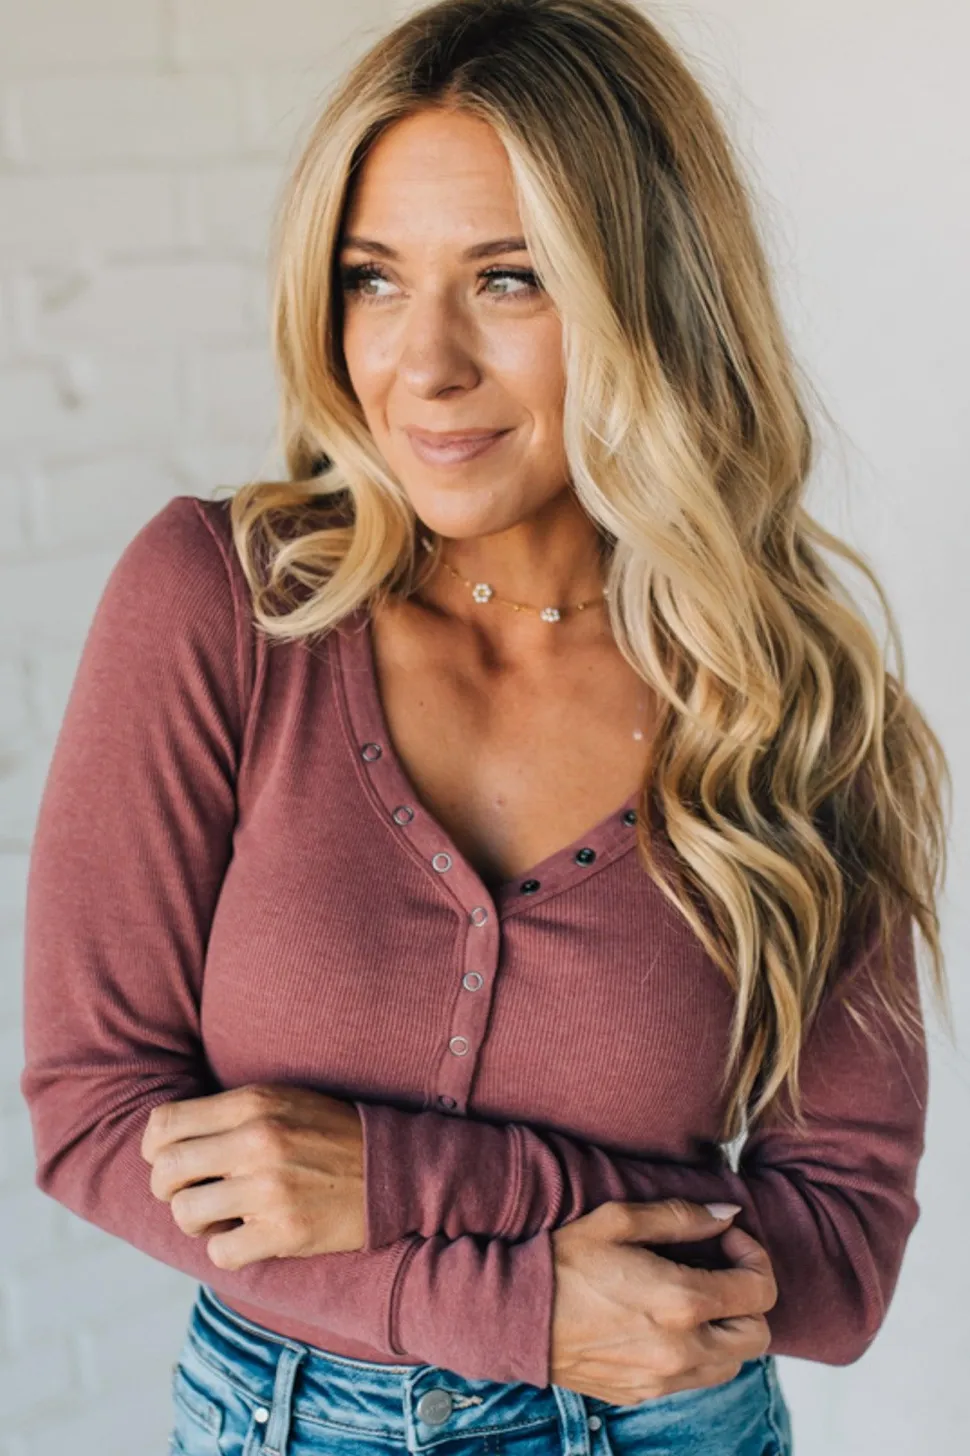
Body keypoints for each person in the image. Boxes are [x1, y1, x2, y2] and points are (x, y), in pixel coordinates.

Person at [20, 2, 952, 1454]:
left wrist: (396, 1182)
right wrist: (508, 1311)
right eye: (373, 279)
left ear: (652, 296)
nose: (425, 364)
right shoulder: (227, 605)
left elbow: (837, 1264)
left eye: (509, 279)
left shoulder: (799, 712)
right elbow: (93, 1114)